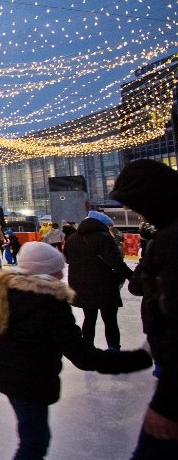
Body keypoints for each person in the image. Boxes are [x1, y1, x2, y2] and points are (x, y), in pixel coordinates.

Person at [0, 242, 151, 460]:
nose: (63, 272)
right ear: (47, 271)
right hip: (28, 381)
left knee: (32, 437)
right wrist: (141, 358)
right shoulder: (51, 304)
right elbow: (83, 356)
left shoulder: (6, 292)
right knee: (34, 443)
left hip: (5, 375)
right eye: (58, 268)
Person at [107, 159, 178, 457]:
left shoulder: (172, 241)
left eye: (136, 204)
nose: (137, 213)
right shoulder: (167, 235)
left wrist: (167, 403)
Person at [65, 210, 132, 351]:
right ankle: (113, 349)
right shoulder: (104, 238)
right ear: (102, 224)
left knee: (89, 318)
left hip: (80, 285)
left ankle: (88, 349)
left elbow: (67, 259)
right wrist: (133, 277)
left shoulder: (72, 239)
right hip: (104, 285)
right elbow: (116, 263)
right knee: (110, 320)